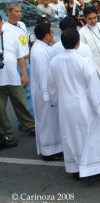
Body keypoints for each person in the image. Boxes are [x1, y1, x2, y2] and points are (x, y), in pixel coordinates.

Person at [48, 28, 100, 180]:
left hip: (65, 105)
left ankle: (75, 168)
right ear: (78, 42)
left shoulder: (55, 62)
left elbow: (51, 85)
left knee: (71, 136)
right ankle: (92, 169)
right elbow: (92, 86)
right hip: (84, 103)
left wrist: (54, 101)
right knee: (90, 135)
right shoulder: (83, 61)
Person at [0, 14, 35, 149]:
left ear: (1, 23)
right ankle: (8, 134)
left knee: (22, 104)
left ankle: (31, 126)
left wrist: (24, 74)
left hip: (13, 77)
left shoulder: (10, 36)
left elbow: (20, 57)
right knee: (0, 110)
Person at [30, 22, 63, 161]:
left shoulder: (41, 47)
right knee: (48, 122)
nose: (53, 35)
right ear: (46, 35)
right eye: (51, 33)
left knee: (51, 122)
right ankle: (48, 152)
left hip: (45, 92)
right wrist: (49, 96)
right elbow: (44, 76)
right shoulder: (41, 51)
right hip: (46, 94)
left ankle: (54, 149)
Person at [2, 4, 35, 117]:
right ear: (9, 12)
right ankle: (25, 121)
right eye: (16, 11)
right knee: (20, 95)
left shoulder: (22, 24)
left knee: (29, 92)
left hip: (26, 61)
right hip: (17, 63)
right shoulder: (5, 28)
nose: (19, 13)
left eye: (20, 11)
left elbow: (25, 43)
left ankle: (30, 119)